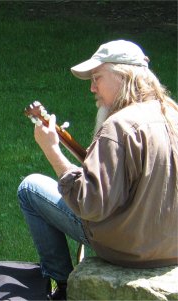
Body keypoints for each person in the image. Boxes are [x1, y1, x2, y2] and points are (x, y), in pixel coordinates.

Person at [18, 40, 178, 300]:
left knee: (30, 188)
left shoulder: (118, 127)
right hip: (172, 247)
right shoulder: (173, 114)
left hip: (128, 249)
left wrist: (52, 151)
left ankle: (63, 287)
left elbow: (90, 204)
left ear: (123, 75)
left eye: (97, 78)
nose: (92, 88)